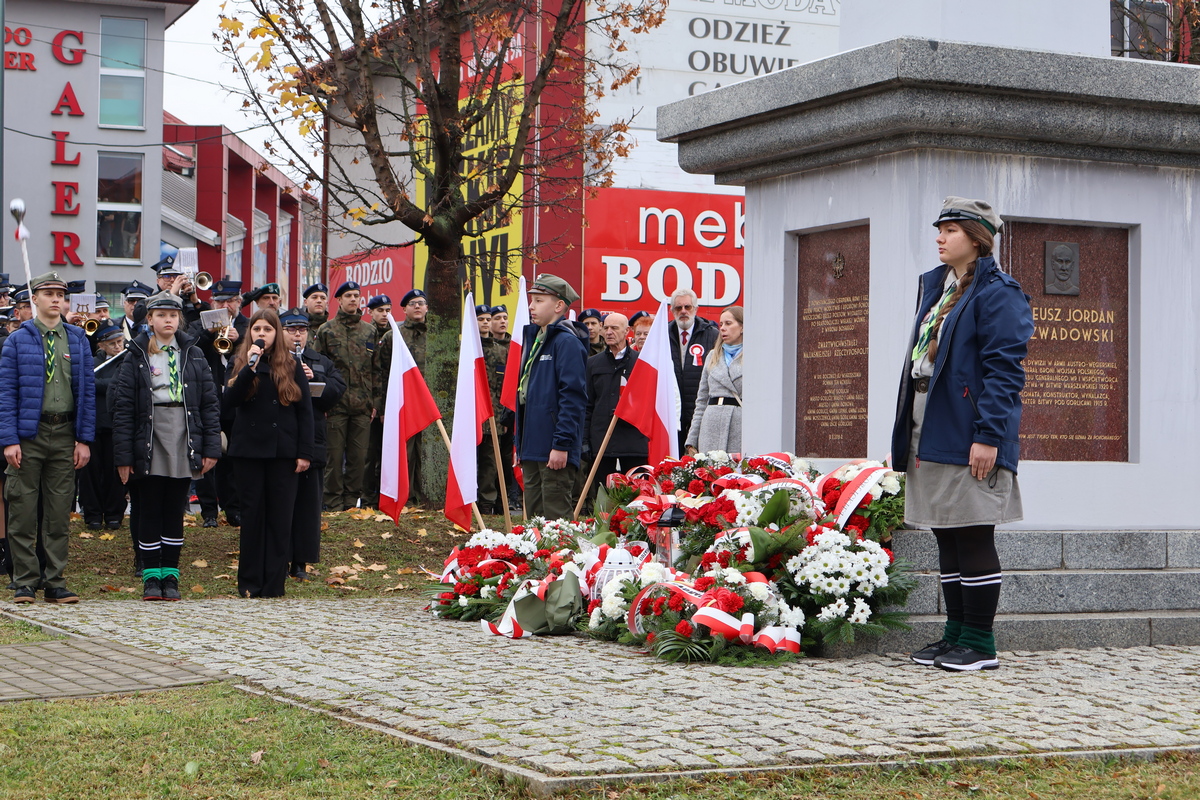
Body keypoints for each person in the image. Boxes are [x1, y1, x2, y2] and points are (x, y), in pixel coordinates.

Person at [893, 197, 1033, 673]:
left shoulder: (999, 291)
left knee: (972, 531)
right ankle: (955, 635)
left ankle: (979, 642)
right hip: (929, 418)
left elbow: (1005, 371)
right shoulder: (939, 287)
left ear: (977, 239)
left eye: (951, 229)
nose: (940, 237)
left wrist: (989, 435)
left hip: (968, 426)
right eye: (940, 229)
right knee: (946, 534)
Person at [111, 293, 221, 601]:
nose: (168, 320)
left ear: (180, 319)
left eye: (173, 315)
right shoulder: (136, 354)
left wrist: (211, 447)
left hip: (183, 432)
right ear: (149, 319)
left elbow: (209, 404)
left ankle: (170, 575)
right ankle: (150, 577)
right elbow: (123, 408)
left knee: (175, 507)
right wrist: (123, 456)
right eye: (160, 315)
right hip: (150, 431)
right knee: (149, 506)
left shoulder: (194, 353)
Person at [0, 271, 96, 604]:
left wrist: (84, 439)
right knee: (22, 510)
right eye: (49, 294)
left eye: (60, 295)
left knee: (58, 512)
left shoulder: (78, 339)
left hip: (65, 433)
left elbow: (86, 393)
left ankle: (55, 580)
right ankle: (25, 580)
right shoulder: (17, 340)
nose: (56, 300)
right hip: (29, 435)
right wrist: (9, 439)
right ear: (34, 299)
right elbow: (6, 394)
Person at [224, 309, 314, 597]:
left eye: (267, 329)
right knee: (252, 517)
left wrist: (304, 452)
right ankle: (250, 583)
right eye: (257, 329)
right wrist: (249, 367)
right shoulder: (239, 362)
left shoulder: (291, 365)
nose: (261, 334)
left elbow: (305, 412)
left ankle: (274, 584)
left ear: (277, 334)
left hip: (283, 452)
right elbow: (229, 401)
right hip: (248, 452)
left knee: (280, 518)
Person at [516, 275, 588, 520]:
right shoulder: (536, 340)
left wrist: (561, 444)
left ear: (558, 306)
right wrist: (520, 443)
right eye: (532, 300)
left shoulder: (566, 342)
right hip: (532, 446)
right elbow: (527, 396)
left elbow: (573, 397)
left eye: (539, 300)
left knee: (556, 521)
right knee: (534, 521)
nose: (531, 306)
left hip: (554, 446)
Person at [281, 311, 346, 580]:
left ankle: (300, 562)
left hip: (312, 441)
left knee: (308, 507)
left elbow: (337, 390)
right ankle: (279, 558)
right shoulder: (273, 360)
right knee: (282, 505)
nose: (298, 334)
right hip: (282, 441)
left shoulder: (320, 361)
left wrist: (314, 381)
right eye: (291, 329)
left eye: (302, 330)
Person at [189, 279, 246, 527]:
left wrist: (240, 339)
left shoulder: (248, 326)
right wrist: (209, 333)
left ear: (239, 302)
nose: (225, 306)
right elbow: (190, 348)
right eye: (220, 302)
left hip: (235, 402)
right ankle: (209, 511)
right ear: (211, 302)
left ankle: (233, 508)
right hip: (208, 400)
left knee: (233, 457)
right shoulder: (199, 324)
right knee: (206, 456)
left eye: (230, 301)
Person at [314, 281, 375, 510]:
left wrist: (375, 402)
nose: (353, 299)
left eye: (356, 295)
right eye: (348, 295)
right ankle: (332, 503)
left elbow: (375, 369)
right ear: (339, 300)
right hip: (335, 404)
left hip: (362, 405)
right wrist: (322, 401)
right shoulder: (326, 330)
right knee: (334, 457)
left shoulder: (369, 331)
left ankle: (351, 503)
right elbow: (318, 368)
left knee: (358, 458)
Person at [375, 289, 430, 506]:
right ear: (404, 309)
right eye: (412, 303)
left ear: (427, 308)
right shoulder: (393, 336)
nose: (417, 306)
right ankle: (404, 499)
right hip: (402, 402)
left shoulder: (436, 335)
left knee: (425, 453)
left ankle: (423, 498)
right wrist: (382, 408)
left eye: (421, 303)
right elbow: (382, 373)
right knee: (404, 453)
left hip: (429, 403)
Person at [584, 313, 648, 494]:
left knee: (636, 496)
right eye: (606, 328)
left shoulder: (641, 363)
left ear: (627, 331)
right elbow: (587, 405)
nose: (609, 332)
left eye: (614, 328)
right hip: (602, 442)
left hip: (634, 443)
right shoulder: (593, 364)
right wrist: (585, 441)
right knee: (602, 497)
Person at [79, 322, 128, 532]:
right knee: (90, 472)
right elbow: (82, 385)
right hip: (93, 425)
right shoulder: (91, 362)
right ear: (101, 345)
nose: (117, 347)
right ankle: (92, 515)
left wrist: (96, 382)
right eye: (112, 343)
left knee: (114, 472)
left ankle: (114, 514)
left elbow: (117, 385)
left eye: (120, 342)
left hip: (116, 425)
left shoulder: (126, 362)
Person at [685, 306, 743, 455]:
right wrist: (692, 439)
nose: (722, 328)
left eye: (728, 323)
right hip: (711, 425)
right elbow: (701, 401)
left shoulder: (754, 356)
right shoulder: (712, 356)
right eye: (721, 324)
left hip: (740, 425)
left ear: (742, 327)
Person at [668, 288, 720, 455]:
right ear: (672, 310)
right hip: (671, 413)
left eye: (688, 307)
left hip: (699, 412)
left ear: (696, 309)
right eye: (678, 308)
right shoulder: (663, 334)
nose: (683, 311)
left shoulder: (712, 335)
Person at [487, 305, 520, 515]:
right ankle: (492, 501)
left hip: (514, 411)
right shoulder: (486, 346)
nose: (502, 321)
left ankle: (508, 500)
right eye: (497, 318)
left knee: (510, 459)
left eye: (505, 318)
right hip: (494, 413)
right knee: (491, 460)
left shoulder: (515, 346)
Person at [362, 294, 393, 508]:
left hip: (391, 401)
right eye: (380, 310)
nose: (384, 314)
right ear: (371, 312)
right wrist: (377, 405)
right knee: (369, 452)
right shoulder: (367, 333)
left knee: (387, 452)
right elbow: (374, 372)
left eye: (388, 310)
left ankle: (384, 495)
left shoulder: (396, 334)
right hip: (372, 402)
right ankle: (367, 497)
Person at [154, 258, 210, 326]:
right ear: (158, 281)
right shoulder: (153, 299)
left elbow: (208, 321)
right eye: (167, 276)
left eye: (176, 276)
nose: (172, 280)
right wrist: (172, 295)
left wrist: (196, 302)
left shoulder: (186, 298)